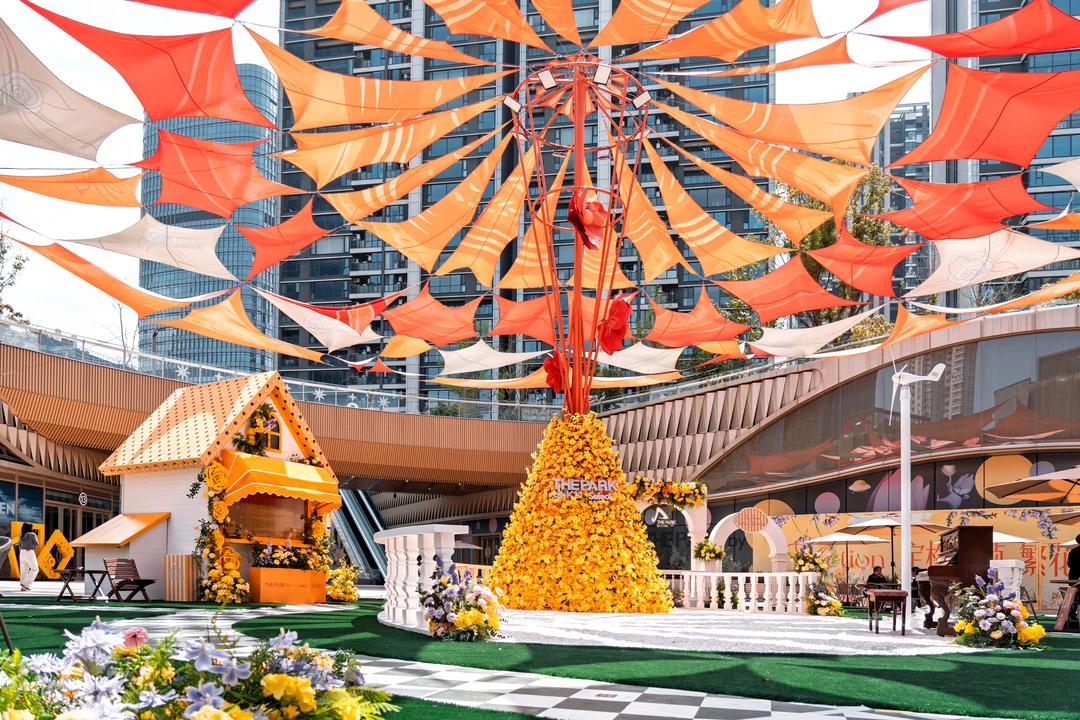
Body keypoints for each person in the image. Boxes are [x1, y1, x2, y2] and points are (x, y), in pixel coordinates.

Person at [18, 527, 39, 592]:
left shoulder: (21, 535)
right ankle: (25, 583)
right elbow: (36, 544)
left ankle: (23, 587)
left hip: (22, 552)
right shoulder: (32, 534)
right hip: (30, 552)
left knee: (24, 570)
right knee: (35, 569)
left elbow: (19, 545)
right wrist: (35, 536)